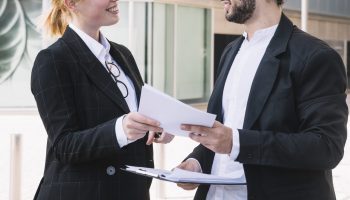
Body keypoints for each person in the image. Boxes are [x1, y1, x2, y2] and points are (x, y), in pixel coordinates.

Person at [176, 0, 348, 200]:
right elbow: (222, 132)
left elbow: (326, 147)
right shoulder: (231, 51)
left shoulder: (316, 56)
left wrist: (236, 142)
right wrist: (196, 164)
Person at [31, 0, 173, 199]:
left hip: (130, 190)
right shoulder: (53, 59)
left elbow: (133, 113)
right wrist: (121, 129)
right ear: (72, 3)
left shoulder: (122, 54)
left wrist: (155, 127)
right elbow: (64, 145)